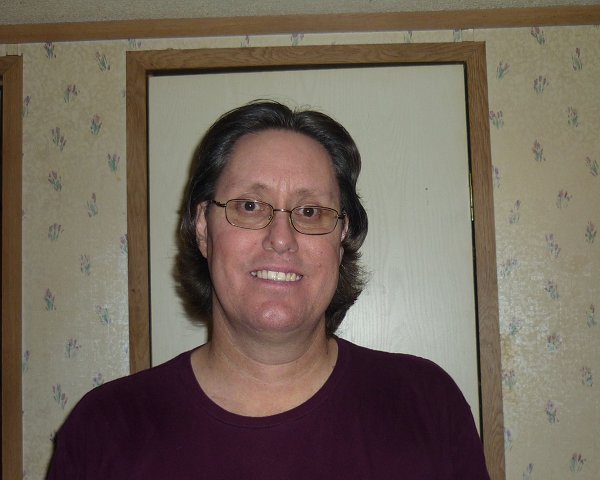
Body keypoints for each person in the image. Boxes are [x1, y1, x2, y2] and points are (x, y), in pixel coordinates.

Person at [47, 100, 490, 479]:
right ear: (202, 228)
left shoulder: (425, 404)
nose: (281, 239)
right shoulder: (104, 429)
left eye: (311, 211)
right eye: (250, 205)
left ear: (341, 239)